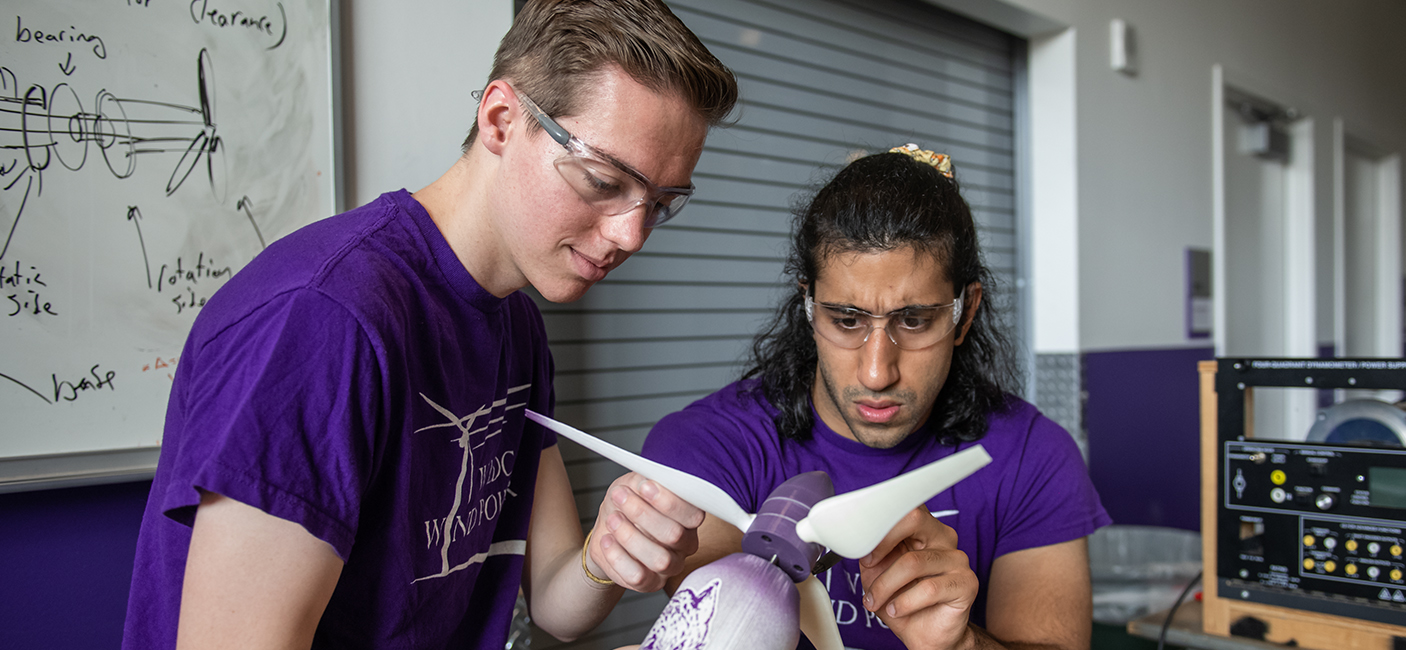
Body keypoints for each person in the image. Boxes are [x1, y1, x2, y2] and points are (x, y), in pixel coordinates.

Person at [122, 1, 738, 648]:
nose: (631, 235)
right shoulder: (324, 320)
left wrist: (606, 554)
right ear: (502, 120)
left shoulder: (518, 326)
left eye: (660, 205)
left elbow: (556, 597)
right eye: (603, 181)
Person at [641, 146, 1110, 650]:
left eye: (914, 321)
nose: (876, 372)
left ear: (964, 312)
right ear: (808, 306)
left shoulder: (1031, 457)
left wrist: (961, 646)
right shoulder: (707, 449)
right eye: (846, 320)